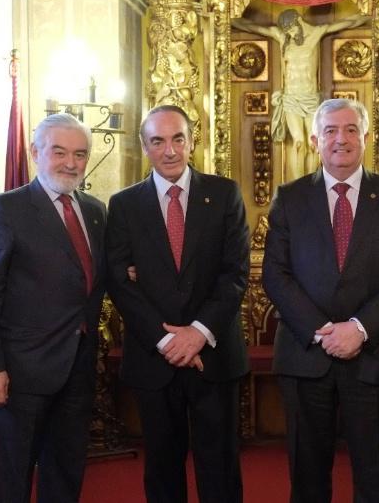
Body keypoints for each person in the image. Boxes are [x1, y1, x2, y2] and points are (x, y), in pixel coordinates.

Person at [262, 98, 379, 502]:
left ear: (366, 137)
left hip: (373, 354)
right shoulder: (290, 197)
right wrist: (323, 331)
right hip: (306, 355)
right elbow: (275, 274)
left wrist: (359, 329)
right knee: (308, 478)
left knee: (373, 478)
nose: (341, 139)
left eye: (351, 130)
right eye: (330, 131)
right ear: (315, 140)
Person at [106, 105, 250, 503]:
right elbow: (119, 281)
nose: (169, 150)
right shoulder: (123, 205)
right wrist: (167, 340)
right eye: (158, 141)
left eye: (177, 139)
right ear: (144, 147)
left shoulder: (224, 194)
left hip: (214, 355)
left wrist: (198, 333)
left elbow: (235, 273)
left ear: (191, 141)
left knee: (220, 467)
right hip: (154, 357)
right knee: (162, 468)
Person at [0, 113, 106, 503]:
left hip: (78, 365)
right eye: (59, 152)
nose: (71, 163)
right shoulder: (5, 209)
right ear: (35, 152)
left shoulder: (95, 211)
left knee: (66, 469)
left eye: (80, 154)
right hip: (21, 371)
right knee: (16, 474)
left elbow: (95, 279)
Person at [233, 10, 368, 181]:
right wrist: (227, 17)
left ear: (298, 21)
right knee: (298, 143)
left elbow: (348, 22)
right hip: (291, 99)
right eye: (287, 31)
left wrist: (369, 14)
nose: (289, 34)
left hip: (310, 99)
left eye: (291, 29)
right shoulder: (282, 37)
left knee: (313, 144)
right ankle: (297, 186)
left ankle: (310, 184)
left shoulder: (316, 33)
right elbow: (253, 27)